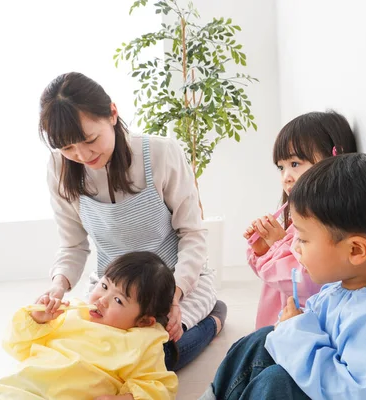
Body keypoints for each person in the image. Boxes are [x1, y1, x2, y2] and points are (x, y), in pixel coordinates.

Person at [37, 72, 227, 371]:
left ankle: (213, 319)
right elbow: (73, 245)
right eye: (68, 148)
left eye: (89, 140)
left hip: (176, 285)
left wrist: (174, 296)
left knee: (153, 355)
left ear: (113, 114)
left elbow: (191, 233)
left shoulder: (161, 153)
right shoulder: (59, 169)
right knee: (86, 354)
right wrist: (58, 286)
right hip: (111, 290)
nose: (82, 155)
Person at [202, 153, 366, 399]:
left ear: (355, 250)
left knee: (276, 382)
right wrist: (290, 327)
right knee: (261, 340)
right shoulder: (344, 288)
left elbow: (352, 392)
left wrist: (294, 330)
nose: (295, 247)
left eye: (303, 239)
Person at [0, 251, 179, 400]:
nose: (101, 299)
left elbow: (158, 385)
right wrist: (37, 320)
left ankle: (214, 321)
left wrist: (124, 397)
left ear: (144, 321)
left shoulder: (143, 341)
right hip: (5, 393)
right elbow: (16, 347)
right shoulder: (70, 311)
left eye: (118, 300)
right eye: (103, 286)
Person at [243, 111, 357, 328]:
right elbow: (275, 279)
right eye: (281, 167)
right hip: (279, 327)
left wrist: (278, 245)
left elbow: (306, 283)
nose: (286, 176)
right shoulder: (297, 216)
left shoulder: (327, 224)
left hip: (301, 330)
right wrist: (263, 249)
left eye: (295, 164)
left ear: (333, 160)